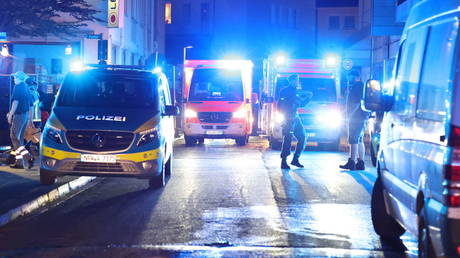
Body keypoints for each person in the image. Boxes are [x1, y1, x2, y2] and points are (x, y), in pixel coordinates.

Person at [278, 74, 313, 169]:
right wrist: (285, 117)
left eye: (298, 80)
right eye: (297, 80)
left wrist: (308, 98)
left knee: (302, 137)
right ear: (292, 81)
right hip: (288, 118)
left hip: (295, 117)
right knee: (287, 139)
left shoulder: (295, 91)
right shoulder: (285, 91)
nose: (298, 82)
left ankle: (295, 159)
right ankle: (284, 161)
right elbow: (279, 106)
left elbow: (300, 104)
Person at [340, 70, 370, 171]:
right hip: (362, 117)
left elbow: (357, 103)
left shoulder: (357, 87)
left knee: (353, 139)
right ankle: (361, 163)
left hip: (356, 117)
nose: (348, 79)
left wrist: (349, 114)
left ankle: (352, 162)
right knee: (359, 139)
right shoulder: (362, 86)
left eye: (350, 77)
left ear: (356, 77)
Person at [6, 71, 34, 169]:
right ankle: (19, 162)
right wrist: (30, 120)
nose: (14, 79)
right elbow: (31, 106)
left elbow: (15, 102)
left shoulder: (18, 87)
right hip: (25, 116)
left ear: (19, 78)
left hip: (18, 115)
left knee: (14, 137)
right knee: (19, 139)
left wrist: (10, 115)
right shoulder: (26, 88)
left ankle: (28, 157)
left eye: (15, 78)